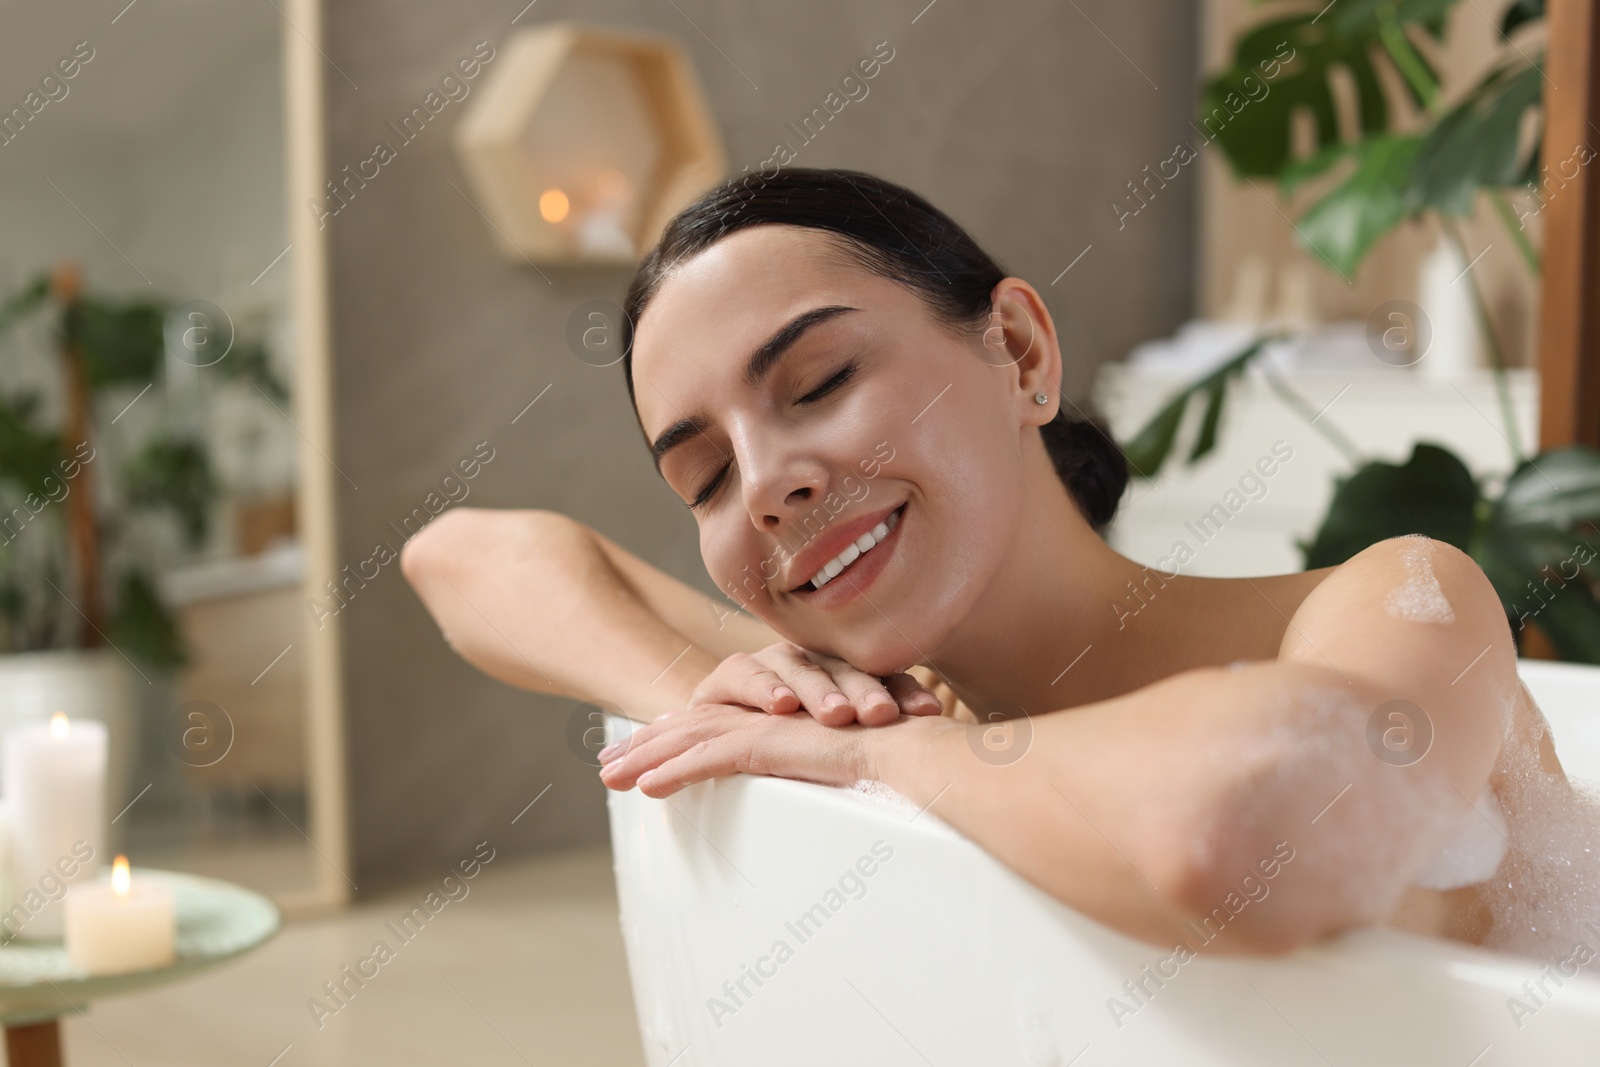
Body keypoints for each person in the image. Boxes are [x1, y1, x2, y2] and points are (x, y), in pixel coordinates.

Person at [403, 168, 1575, 959]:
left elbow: (1236, 822)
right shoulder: (849, 691)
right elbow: (462, 555)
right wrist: (727, 702)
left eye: (816, 384)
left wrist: (905, 756)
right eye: (703, 475)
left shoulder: (1397, 598)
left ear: (1016, 351)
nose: (762, 485)